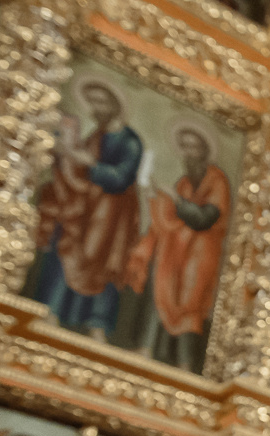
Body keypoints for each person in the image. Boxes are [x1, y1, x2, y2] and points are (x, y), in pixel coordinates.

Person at [27, 81, 144, 340]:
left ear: (114, 106)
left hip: (112, 216)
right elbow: (82, 170)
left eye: (101, 102)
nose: (96, 108)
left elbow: (121, 177)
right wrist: (66, 157)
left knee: (103, 265)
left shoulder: (130, 141)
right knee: (65, 245)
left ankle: (96, 324)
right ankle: (52, 310)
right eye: (92, 103)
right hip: (86, 208)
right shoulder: (97, 135)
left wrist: (86, 161)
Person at [125, 124, 228, 373]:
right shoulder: (184, 182)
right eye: (185, 147)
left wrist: (176, 199)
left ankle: (185, 363)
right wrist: (158, 196)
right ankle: (146, 347)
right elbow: (171, 215)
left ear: (204, 150)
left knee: (190, 303)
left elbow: (205, 219)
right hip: (176, 249)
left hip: (201, 253)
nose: (189, 153)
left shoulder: (217, 180)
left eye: (195, 147)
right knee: (159, 283)